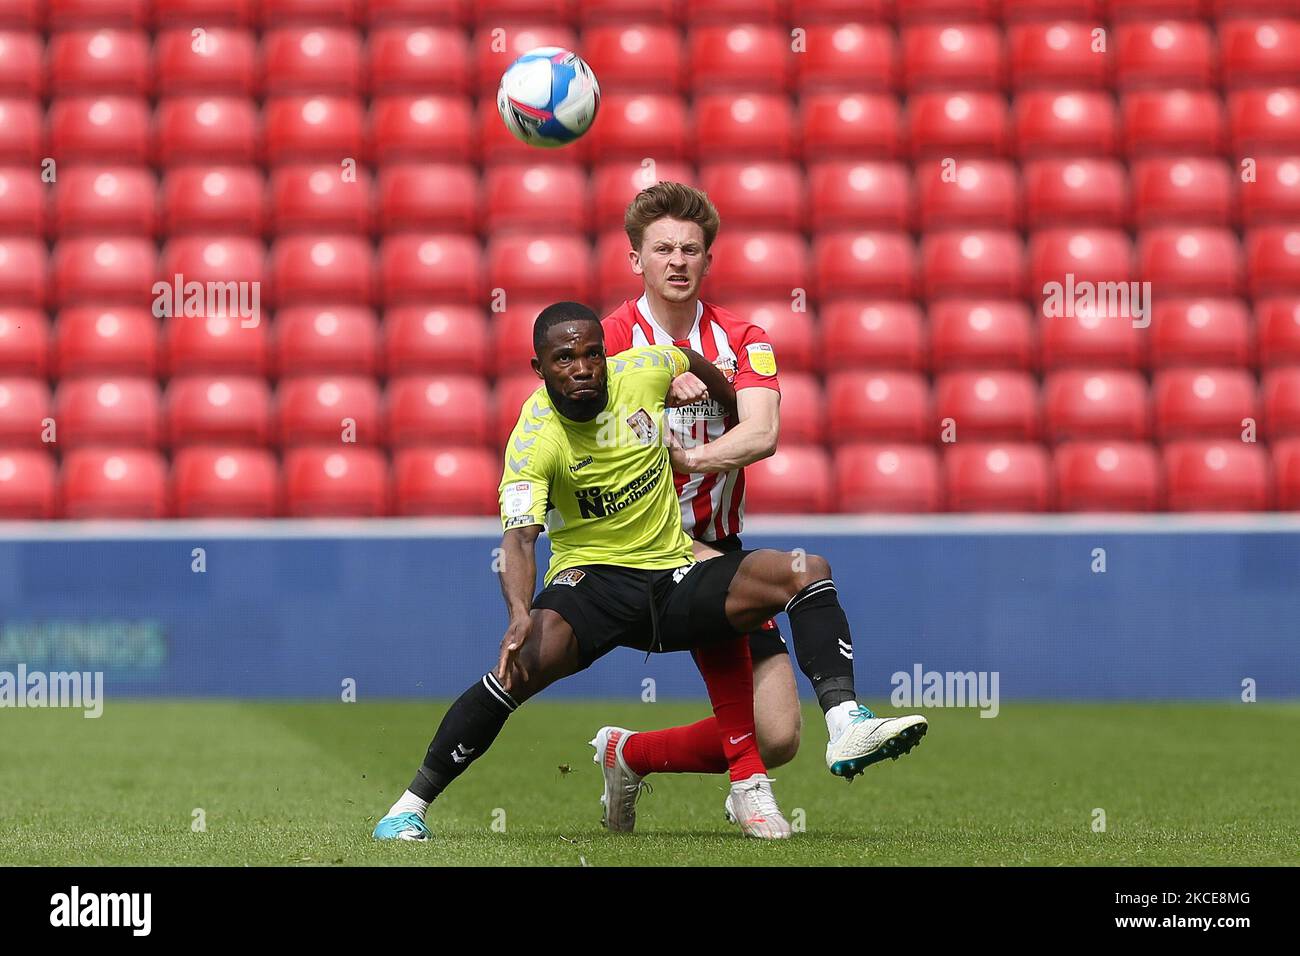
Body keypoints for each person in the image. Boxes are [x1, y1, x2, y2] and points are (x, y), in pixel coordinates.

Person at [372, 303, 921, 841]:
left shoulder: (645, 367)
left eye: (592, 354)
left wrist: (718, 394)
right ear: (539, 370)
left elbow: (684, 359)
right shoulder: (534, 438)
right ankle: (408, 808)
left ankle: (845, 722)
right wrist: (519, 611)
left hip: (671, 571)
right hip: (593, 581)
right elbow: (519, 536)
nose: (582, 368)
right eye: (564, 359)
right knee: (517, 667)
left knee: (807, 568)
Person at [591, 182, 927, 833]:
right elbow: (597, 443)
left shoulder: (742, 336)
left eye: (691, 248)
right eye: (662, 248)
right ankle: (843, 725)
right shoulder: (607, 340)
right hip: (637, 546)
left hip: (716, 544)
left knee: (777, 736)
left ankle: (626, 753)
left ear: (708, 259)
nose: (678, 260)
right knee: (803, 567)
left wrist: (687, 456)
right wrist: (655, 392)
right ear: (637, 259)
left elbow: (762, 433)